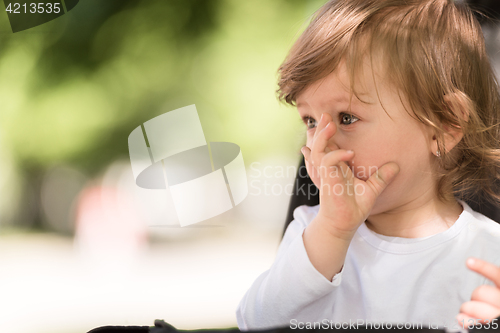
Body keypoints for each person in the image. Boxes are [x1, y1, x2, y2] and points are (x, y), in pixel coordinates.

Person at [236, 0, 500, 330]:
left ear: (445, 125)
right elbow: (255, 323)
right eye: (310, 121)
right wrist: (331, 231)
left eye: (347, 118)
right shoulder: (313, 233)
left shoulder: (489, 255)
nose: (321, 144)